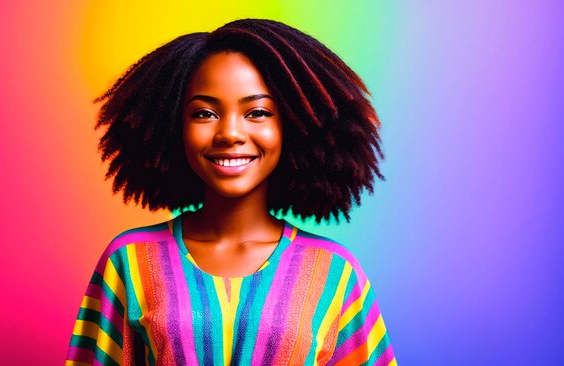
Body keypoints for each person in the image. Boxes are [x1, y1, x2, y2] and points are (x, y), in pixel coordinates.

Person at [66, 19, 396, 365]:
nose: (230, 134)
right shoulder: (129, 260)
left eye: (257, 112)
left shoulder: (334, 272)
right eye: (205, 113)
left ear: (294, 125)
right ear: (171, 125)